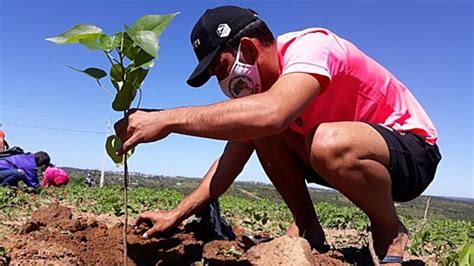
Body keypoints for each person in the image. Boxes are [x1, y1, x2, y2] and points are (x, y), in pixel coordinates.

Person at [114, 6, 441, 264]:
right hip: (341, 156)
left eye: (221, 69)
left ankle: (389, 230)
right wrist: (176, 214)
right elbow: (229, 162)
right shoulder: (265, 99)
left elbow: (275, 112)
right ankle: (308, 229)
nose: (223, 83)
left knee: (322, 140)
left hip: (411, 153)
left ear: (248, 50)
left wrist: (167, 120)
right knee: (263, 132)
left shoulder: (311, 47)